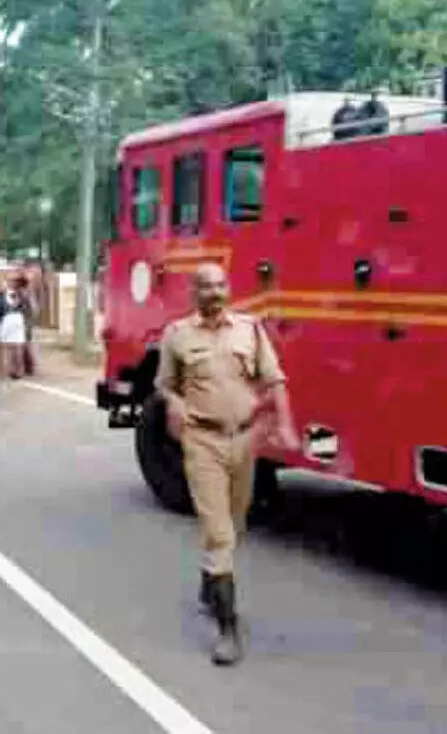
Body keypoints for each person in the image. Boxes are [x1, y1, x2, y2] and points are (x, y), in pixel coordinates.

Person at [154, 262, 296, 666]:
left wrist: (285, 425)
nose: (215, 293)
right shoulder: (177, 335)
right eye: (206, 287)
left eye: (221, 285)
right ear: (193, 292)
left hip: (244, 438)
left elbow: (275, 380)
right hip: (202, 440)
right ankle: (228, 629)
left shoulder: (249, 330)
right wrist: (176, 403)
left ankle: (209, 578)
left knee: (235, 526)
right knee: (219, 535)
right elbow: (163, 384)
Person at [0, 285, 27, 379]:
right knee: (17, 352)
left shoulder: (8, 314)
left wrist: (1, 337)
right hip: (17, 330)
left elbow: (4, 329)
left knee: (12, 353)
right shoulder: (20, 314)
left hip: (11, 328)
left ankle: (14, 370)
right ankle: (18, 371)